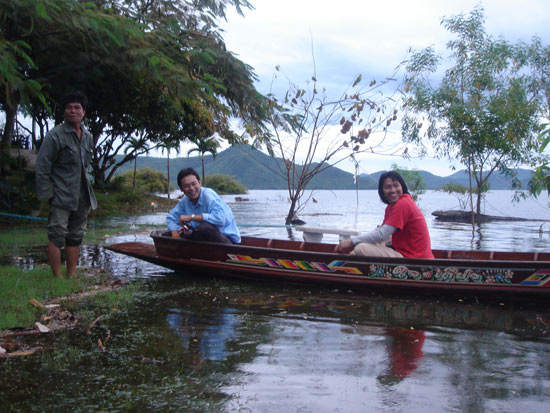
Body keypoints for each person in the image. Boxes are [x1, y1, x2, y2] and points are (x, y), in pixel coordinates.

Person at [36, 91, 98, 277]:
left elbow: (86, 166)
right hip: (60, 194)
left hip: (82, 195)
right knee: (57, 234)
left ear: (83, 112)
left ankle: (71, 275)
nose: (73, 111)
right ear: (64, 111)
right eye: (69, 107)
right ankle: (57, 277)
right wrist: (47, 194)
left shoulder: (87, 136)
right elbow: (42, 166)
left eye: (77, 107)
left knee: (76, 235)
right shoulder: (55, 135)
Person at [338, 171, 434, 258]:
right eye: (387, 187)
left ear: (402, 187)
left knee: (361, 248)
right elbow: (383, 232)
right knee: (371, 242)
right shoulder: (391, 207)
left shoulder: (403, 203)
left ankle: (348, 259)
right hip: (405, 252)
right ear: (382, 190)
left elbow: (382, 234)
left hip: (413, 257)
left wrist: (351, 241)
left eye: (396, 185)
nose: (393, 190)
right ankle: (351, 257)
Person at [166, 168, 240, 244]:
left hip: (226, 240)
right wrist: (175, 233)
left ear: (199, 183)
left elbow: (220, 219)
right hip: (204, 240)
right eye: (186, 186)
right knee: (167, 235)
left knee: (204, 228)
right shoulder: (185, 200)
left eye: (194, 184)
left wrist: (192, 217)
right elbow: (171, 218)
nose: (191, 188)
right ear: (181, 189)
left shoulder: (208, 195)